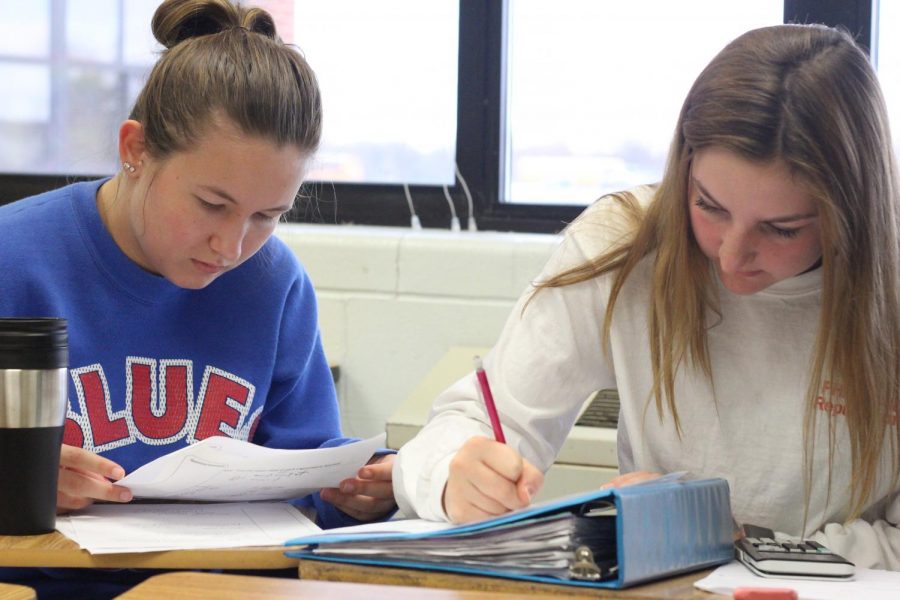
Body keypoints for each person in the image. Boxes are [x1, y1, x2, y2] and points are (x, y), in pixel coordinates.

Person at [394, 23, 900, 570]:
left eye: (781, 230)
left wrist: (736, 542)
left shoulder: (887, 291)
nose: (731, 256)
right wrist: (454, 474)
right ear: (682, 168)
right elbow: (473, 421)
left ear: (851, 213)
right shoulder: (625, 244)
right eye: (709, 206)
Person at [0, 0, 394, 595]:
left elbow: (310, 486)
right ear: (135, 150)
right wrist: (14, 484)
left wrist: (363, 496)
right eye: (212, 204)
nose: (231, 245)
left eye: (268, 215)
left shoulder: (274, 282)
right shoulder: (13, 258)